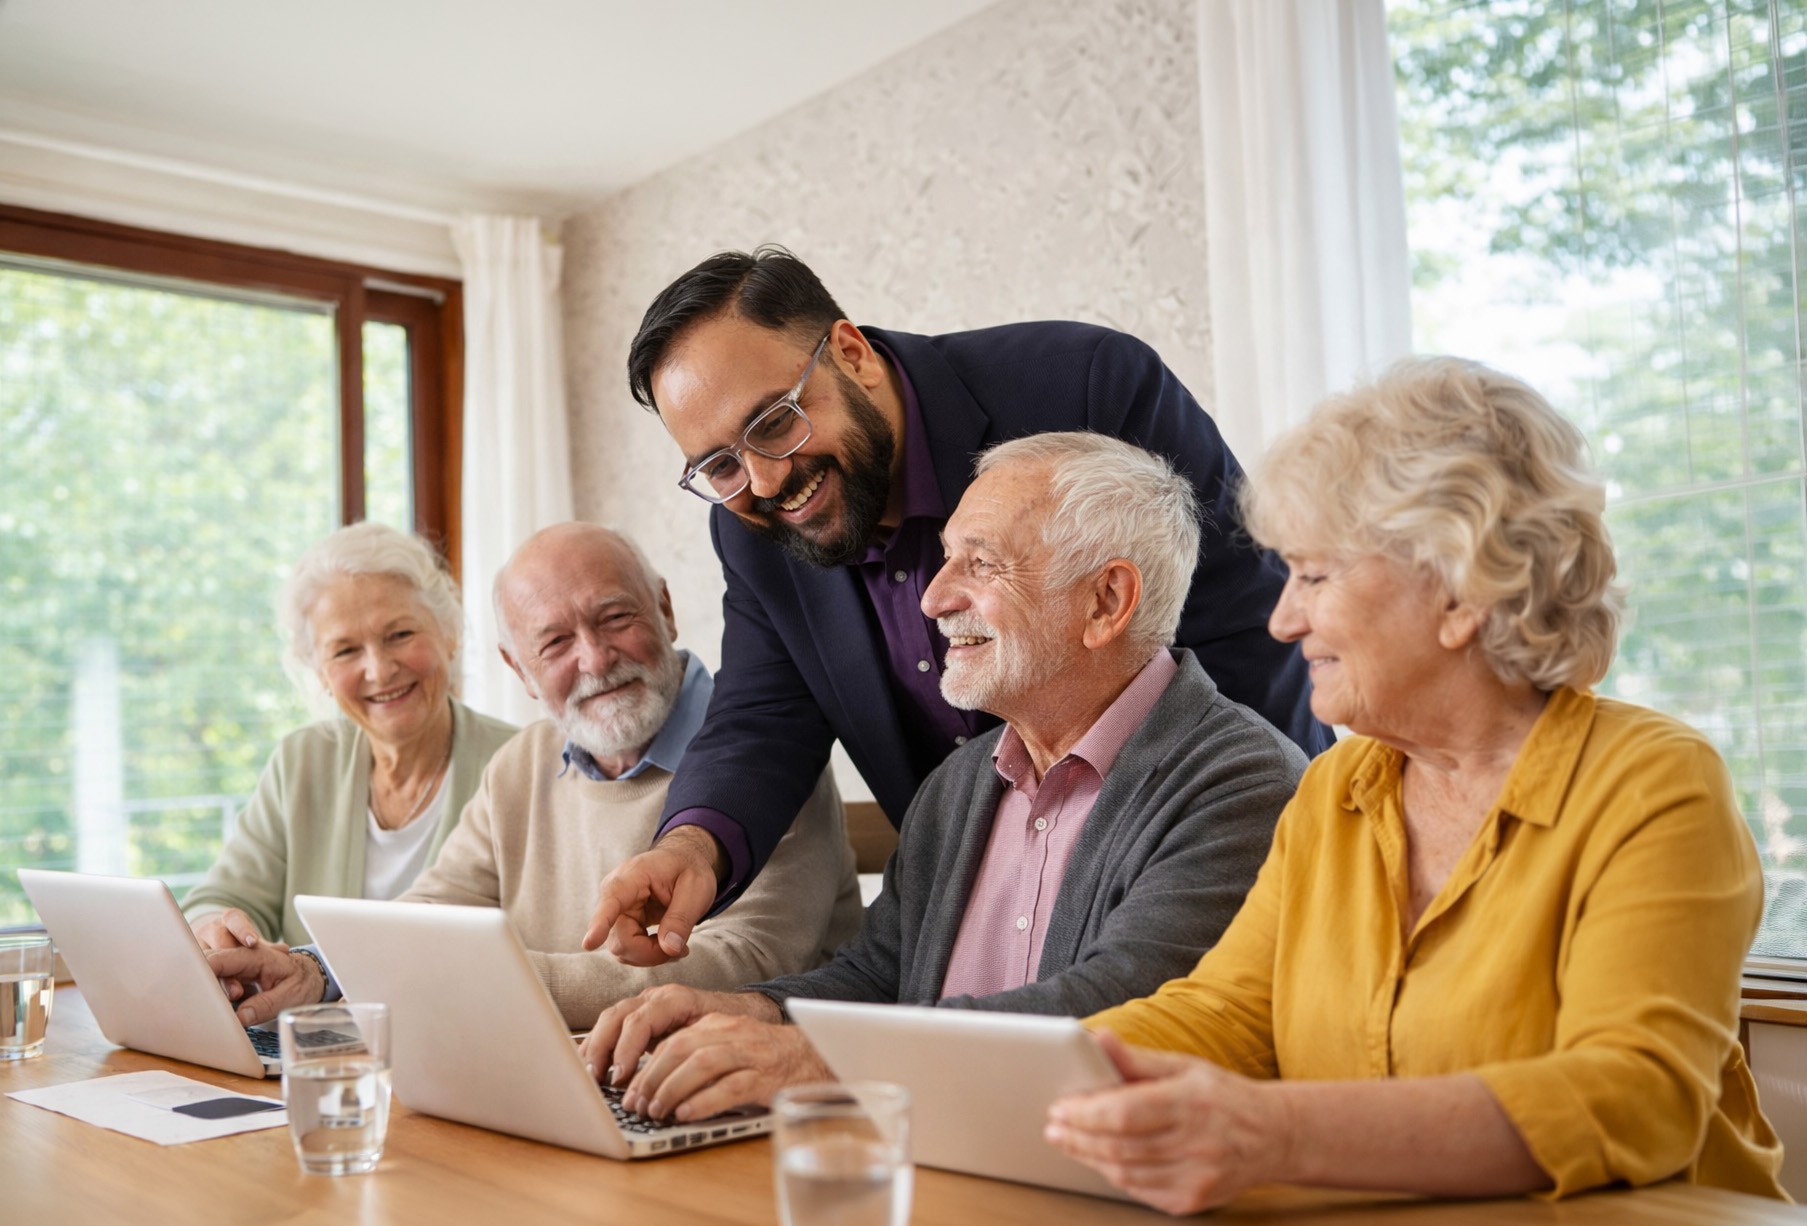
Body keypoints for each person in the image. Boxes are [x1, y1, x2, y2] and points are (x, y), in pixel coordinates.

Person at [1039, 357, 1786, 1210]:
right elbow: (1225, 1016)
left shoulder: (1650, 783)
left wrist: (1276, 1133)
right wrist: (1021, 1076)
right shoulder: (1335, 791)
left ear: (1462, 589)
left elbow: (1632, 1098)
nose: (1282, 619)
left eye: (1314, 574)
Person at [587, 247, 1332, 966]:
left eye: (775, 421)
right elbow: (762, 714)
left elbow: (1247, 628)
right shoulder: (749, 531)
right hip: (974, 920)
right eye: (718, 464)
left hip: (1188, 868)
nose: (766, 478)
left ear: (849, 352)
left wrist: (1239, 836)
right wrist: (689, 848)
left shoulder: (1086, 387)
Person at [581, 433, 1306, 1123]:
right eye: (946, 557)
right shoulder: (960, 782)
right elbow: (879, 977)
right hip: (938, 1164)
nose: (933, 597)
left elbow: (1118, 1007)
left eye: (980, 564)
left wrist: (832, 1060)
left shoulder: (1239, 781)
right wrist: (750, 1010)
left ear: (1105, 602)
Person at [205, 522, 863, 1028]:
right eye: (553, 642)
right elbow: (431, 911)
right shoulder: (522, 763)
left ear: (663, 609)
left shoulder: (765, 755)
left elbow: (752, 963)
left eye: (615, 618)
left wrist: (492, 978)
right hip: (568, 1080)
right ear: (517, 669)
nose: (595, 658)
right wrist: (316, 973)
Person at [183, 522, 517, 955]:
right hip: (311, 1025)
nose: (379, 670)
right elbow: (220, 898)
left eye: (399, 635)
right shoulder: (302, 761)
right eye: (345, 651)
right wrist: (217, 926)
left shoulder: (520, 764)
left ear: (449, 633)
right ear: (320, 672)